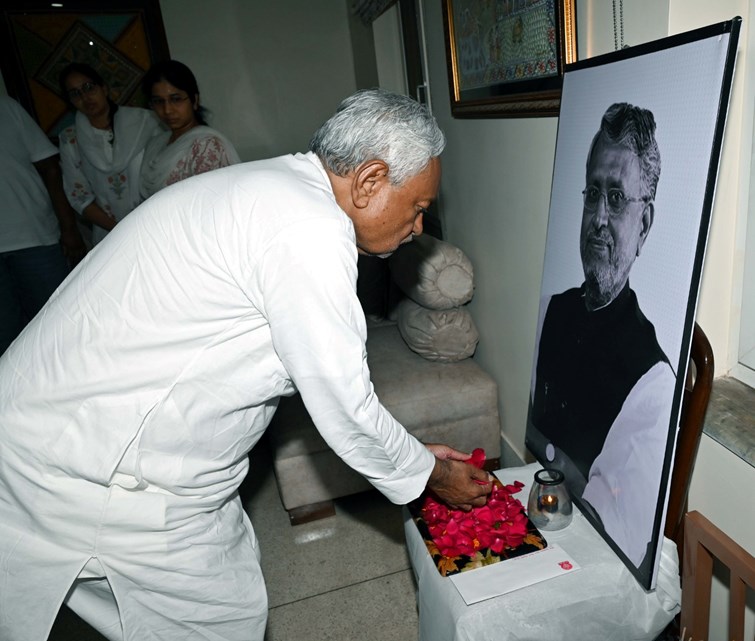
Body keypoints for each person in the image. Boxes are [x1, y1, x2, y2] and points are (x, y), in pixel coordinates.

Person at [0, 88, 492, 641]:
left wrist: (415, 458)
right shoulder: (307, 230)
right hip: (98, 470)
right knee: (220, 620)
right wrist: (432, 476)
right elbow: (345, 407)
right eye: (419, 208)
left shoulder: (274, 187)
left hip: (55, 432)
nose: (419, 228)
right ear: (371, 180)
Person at [527, 102, 676, 570]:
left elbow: (612, 537)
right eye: (593, 194)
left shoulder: (651, 380)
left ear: (644, 225)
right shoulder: (554, 311)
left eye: (616, 198)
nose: (598, 218)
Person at [0, 96, 87, 355]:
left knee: (61, 327)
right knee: (7, 342)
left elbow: (50, 167)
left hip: (36, 237)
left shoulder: (6, 107)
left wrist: (69, 228)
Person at [58, 62, 163, 245]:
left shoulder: (145, 122)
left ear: (104, 88)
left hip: (155, 224)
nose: (85, 97)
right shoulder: (70, 140)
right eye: (75, 93)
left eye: (89, 87)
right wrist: (120, 230)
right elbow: (79, 196)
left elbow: (163, 174)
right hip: (111, 235)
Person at [139, 60, 240, 198]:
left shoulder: (207, 146)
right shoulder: (156, 145)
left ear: (195, 100)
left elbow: (211, 202)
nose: (167, 110)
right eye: (158, 101)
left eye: (176, 99)